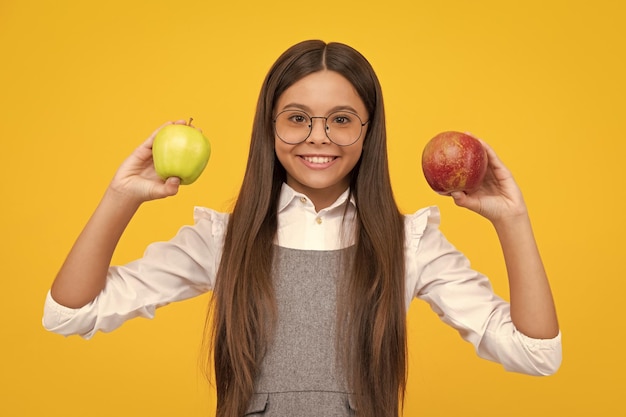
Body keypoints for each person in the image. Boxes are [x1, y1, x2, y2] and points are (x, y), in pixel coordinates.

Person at [43, 40, 561, 417]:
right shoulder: (224, 240)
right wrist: (122, 196)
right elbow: (69, 314)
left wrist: (511, 220)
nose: (318, 137)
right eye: (296, 118)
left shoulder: (411, 243)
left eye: (341, 119)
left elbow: (535, 354)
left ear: (368, 131)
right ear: (269, 128)